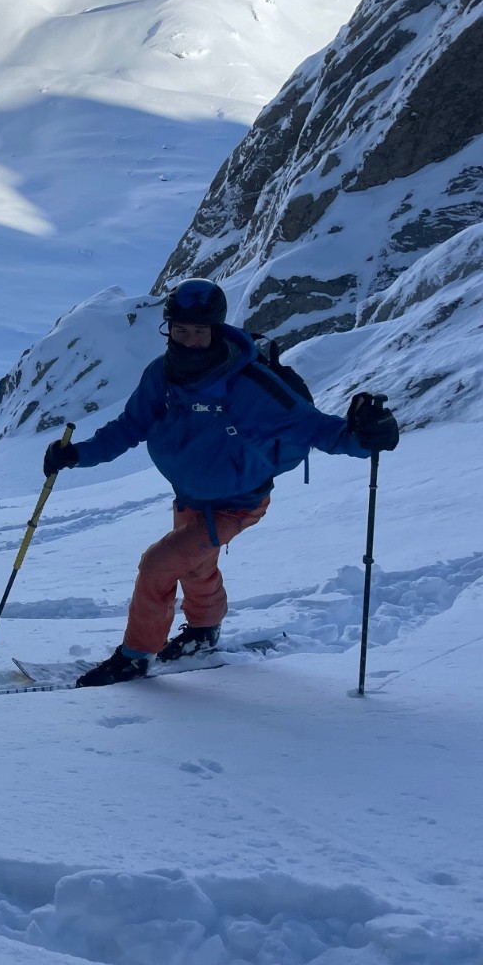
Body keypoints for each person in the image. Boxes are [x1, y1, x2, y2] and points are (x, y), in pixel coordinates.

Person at [41, 278, 400, 687]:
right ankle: (204, 631)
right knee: (195, 565)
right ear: (168, 328)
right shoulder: (161, 376)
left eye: (200, 331)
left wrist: (365, 437)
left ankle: (135, 657)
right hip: (191, 496)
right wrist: (78, 454)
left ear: (216, 329)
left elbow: (319, 429)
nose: (190, 341)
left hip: (239, 501)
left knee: (159, 564)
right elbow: (128, 427)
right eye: (181, 330)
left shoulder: (250, 386)